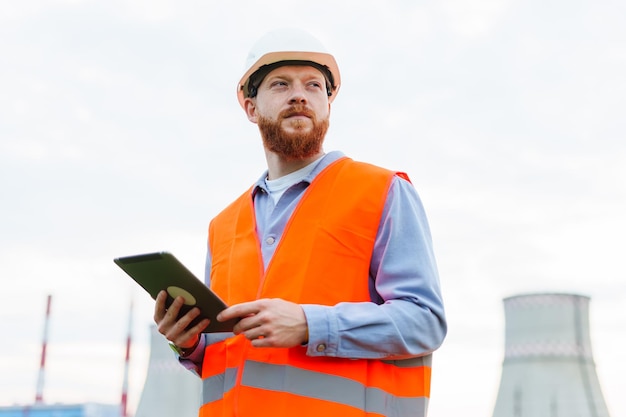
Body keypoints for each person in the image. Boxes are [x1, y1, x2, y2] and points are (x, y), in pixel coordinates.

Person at [153, 28, 447, 417]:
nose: (299, 95)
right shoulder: (223, 226)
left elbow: (424, 321)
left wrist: (310, 325)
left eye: (313, 85)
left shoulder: (382, 191)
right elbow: (229, 354)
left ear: (328, 104)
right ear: (251, 107)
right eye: (280, 84)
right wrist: (190, 344)